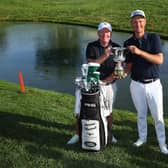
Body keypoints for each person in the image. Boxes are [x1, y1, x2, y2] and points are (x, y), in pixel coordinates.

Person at [67, 22, 120, 145]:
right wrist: (105, 55)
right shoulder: (92, 46)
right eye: (102, 32)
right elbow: (90, 65)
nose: (104, 34)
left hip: (109, 85)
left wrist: (107, 80)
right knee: (81, 110)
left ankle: (108, 134)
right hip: (90, 84)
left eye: (107, 32)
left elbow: (118, 69)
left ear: (110, 33)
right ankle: (77, 134)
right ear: (98, 33)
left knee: (108, 112)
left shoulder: (117, 47)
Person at [124, 9, 168, 154]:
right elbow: (129, 65)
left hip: (154, 84)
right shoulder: (128, 42)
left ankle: (162, 143)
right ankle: (142, 138)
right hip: (136, 84)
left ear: (145, 22)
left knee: (158, 116)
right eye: (135, 21)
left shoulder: (153, 38)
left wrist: (139, 52)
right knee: (141, 114)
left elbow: (159, 60)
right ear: (131, 23)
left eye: (140, 21)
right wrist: (122, 73)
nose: (138, 24)